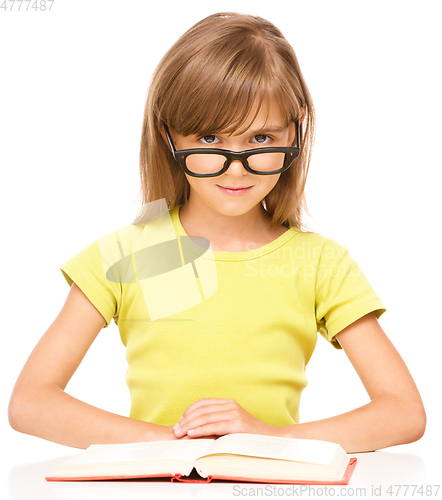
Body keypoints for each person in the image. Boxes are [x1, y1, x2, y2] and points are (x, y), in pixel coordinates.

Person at [8, 12, 425, 453]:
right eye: (210, 139)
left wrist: (269, 440)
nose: (237, 166)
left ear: (297, 127)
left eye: (261, 139)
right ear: (169, 135)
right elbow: (30, 403)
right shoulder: (125, 253)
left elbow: (402, 412)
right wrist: (175, 443)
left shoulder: (321, 264)